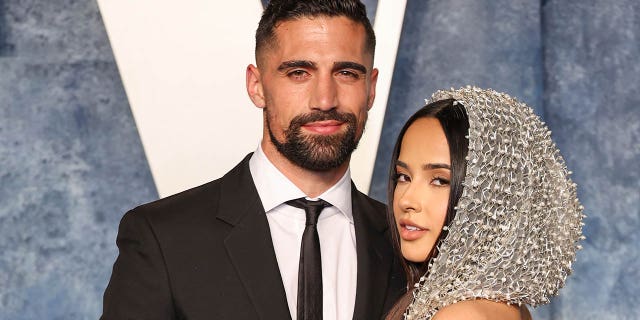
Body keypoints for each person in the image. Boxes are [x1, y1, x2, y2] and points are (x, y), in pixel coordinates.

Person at [100, 1, 405, 319]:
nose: (325, 100)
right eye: (299, 73)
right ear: (256, 86)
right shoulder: (161, 238)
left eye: (346, 73)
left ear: (370, 88)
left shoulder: (406, 245)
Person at [384, 87, 585, 319]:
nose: (407, 200)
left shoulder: (463, 315)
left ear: (494, 198)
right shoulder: (509, 308)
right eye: (403, 176)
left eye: (439, 180)